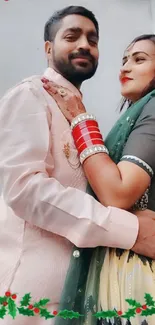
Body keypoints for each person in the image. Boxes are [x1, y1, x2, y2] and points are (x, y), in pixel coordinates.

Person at [0, 5, 155, 324]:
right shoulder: (30, 96)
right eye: (72, 36)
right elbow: (25, 190)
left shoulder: (84, 118)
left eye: (93, 39)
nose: (84, 44)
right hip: (30, 300)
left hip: (79, 297)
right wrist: (131, 230)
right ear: (48, 48)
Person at [43, 34, 155, 325]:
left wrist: (81, 119)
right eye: (124, 60)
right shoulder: (139, 111)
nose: (125, 68)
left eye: (139, 59)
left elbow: (117, 193)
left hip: (136, 277)